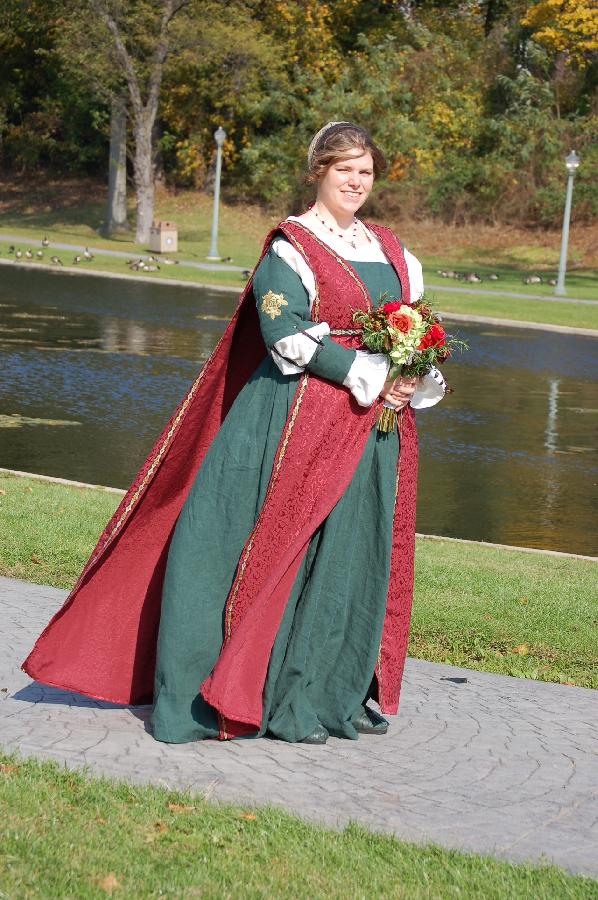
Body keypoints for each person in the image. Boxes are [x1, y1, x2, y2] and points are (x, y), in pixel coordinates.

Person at [22, 122, 446, 745]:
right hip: (297, 424)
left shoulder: (389, 246)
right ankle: (262, 693)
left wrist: (410, 375)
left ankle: (331, 692)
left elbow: (417, 322)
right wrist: (368, 371)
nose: (357, 182)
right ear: (318, 172)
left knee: (355, 555)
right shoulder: (291, 247)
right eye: (344, 170)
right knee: (281, 551)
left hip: (377, 427)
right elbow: (286, 337)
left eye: (366, 172)